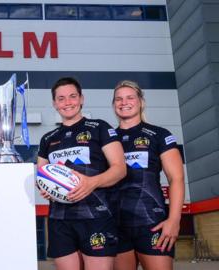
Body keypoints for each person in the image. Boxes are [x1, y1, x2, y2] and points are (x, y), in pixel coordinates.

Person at [37, 77, 126, 270]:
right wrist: (46, 188)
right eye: (61, 98)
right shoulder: (48, 138)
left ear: (81, 99)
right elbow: (41, 174)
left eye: (72, 96)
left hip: (96, 216)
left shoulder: (100, 127)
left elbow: (120, 169)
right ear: (54, 103)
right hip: (59, 220)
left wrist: (91, 182)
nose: (67, 102)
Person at [112, 80, 185, 270]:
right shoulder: (107, 139)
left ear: (141, 101)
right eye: (118, 99)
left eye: (130, 97)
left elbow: (176, 179)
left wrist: (174, 220)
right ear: (113, 105)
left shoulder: (159, 135)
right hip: (116, 224)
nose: (124, 102)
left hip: (152, 223)